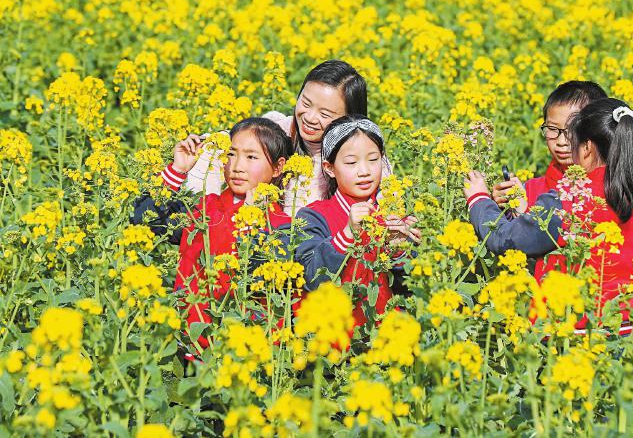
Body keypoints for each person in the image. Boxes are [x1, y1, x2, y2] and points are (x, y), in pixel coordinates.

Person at [464, 98, 633, 335]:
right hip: (623, 330)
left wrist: (479, 199)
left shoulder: (569, 198)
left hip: (567, 333)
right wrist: (526, 212)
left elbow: (505, 238)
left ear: (587, 147)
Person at [133, 117, 292, 347]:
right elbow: (145, 220)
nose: (237, 166)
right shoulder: (203, 208)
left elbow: (255, 280)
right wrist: (178, 170)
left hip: (243, 353)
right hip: (189, 345)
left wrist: (249, 220)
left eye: (251, 157)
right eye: (231, 154)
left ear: (278, 167)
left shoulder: (280, 226)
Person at [184, 60, 391, 215]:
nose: (310, 118)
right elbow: (226, 146)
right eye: (306, 103)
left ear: (349, 118)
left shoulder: (367, 158)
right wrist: (207, 218)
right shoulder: (280, 130)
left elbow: (389, 205)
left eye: (325, 114)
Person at [291, 115, 421, 328]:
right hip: (332, 336)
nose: (365, 171)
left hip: (387, 334)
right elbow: (311, 279)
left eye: (373, 159)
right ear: (329, 168)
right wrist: (347, 234)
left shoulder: (395, 215)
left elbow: (413, 289)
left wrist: (400, 251)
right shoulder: (313, 216)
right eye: (351, 162)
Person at [492, 80, 607, 215]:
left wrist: (524, 213)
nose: (562, 141)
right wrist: (502, 208)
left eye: (573, 130)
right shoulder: (530, 190)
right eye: (552, 129)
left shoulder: (612, 191)